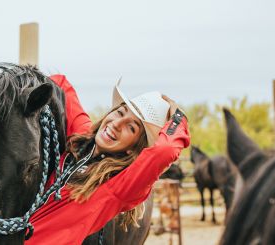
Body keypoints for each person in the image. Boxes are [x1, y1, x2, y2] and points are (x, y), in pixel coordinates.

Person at [26, 74, 190, 245]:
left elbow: (165, 150)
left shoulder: (119, 185)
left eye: (131, 127)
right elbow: (60, 83)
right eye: (120, 112)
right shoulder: (82, 135)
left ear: (133, 148)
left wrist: (178, 117)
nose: (117, 124)